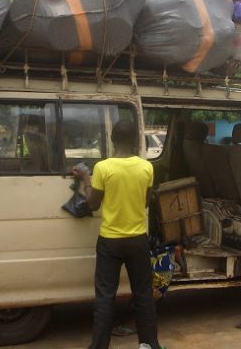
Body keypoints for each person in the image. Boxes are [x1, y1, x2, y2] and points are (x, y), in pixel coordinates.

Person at [73, 120, 163, 349]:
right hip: (137, 240)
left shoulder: (103, 168)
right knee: (143, 295)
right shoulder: (147, 168)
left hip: (110, 241)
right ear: (135, 140)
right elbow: (144, 202)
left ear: (112, 139)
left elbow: (93, 205)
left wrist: (85, 179)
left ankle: (99, 346)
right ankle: (149, 344)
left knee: (105, 298)